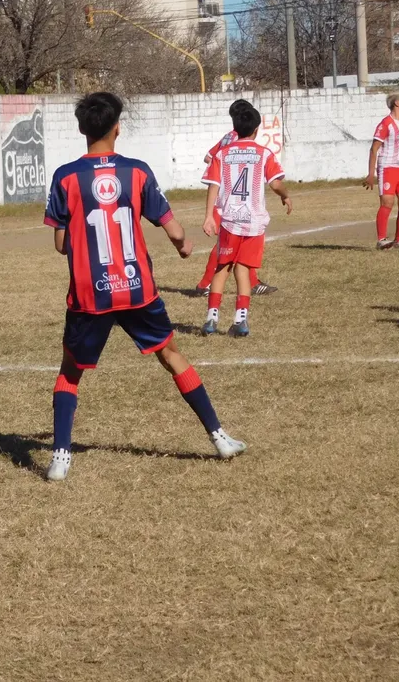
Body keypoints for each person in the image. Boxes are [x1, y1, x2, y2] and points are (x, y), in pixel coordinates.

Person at [43, 92, 247, 482]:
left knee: (70, 370)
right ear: (117, 129)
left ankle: (60, 458)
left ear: (82, 129)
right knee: (171, 355)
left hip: (90, 292)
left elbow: (60, 244)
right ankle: (219, 438)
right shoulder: (137, 172)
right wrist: (183, 245)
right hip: (136, 287)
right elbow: (173, 229)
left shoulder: (65, 177)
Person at [201, 105, 292, 338]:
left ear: (235, 128)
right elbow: (276, 183)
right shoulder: (264, 154)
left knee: (222, 268)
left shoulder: (222, 154)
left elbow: (214, 185)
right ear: (256, 129)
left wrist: (209, 215)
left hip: (230, 220)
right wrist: (285, 195)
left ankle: (211, 318)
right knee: (243, 269)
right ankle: (240, 320)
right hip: (254, 222)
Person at [197, 99, 278, 296]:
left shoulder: (229, 136)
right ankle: (205, 284)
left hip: (227, 198)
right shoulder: (238, 139)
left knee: (237, 241)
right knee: (227, 243)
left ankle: (252, 282)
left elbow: (209, 157)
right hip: (231, 200)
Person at [366, 93, 399, 250]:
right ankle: (381, 240)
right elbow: (374, 149)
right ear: (397, 103)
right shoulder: (386, 123)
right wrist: (371, 173)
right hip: (387, 169)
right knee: (387, 202)